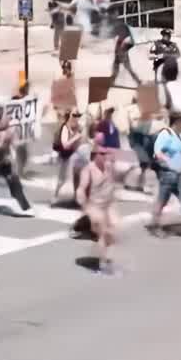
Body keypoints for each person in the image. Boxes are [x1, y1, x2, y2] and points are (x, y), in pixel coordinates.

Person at [147, 110, 181, 237]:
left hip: (179, 173)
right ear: (177, 121)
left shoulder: (177, 134)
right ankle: (154, 226)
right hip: (168, 174)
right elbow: (158, 153)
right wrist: (168, 164)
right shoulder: (165, 134)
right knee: (162, 200)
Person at [77, 142, 117, 275]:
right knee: (103, 233)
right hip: (94, 207)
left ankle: (98, 255)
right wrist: (84, 206)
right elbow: (81, 189)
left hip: (107, 206)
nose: (106, 156)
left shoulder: (109, 167)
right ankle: (102, 264)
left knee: (111, 236)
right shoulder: (88, 169)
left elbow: (112, 185)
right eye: (103, 154)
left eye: (106, 153)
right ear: (95, 155)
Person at [52, 110, 85, 204]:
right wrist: (76, 137)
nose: (77, 117)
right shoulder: (65, 128)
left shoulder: (79, 127)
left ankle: (76, 198)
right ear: (69, 116)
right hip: (66, 156)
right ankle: (55, 197)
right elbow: (65, 145)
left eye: (78, 115)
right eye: (74, 115)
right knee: (62, 178)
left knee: (78, 177)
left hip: (76, 155)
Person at [108, 21, 141, 88]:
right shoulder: (124, 31)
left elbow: (129, 42)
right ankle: (112, 82)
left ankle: (138, 82)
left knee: (126, 68)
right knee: (116, 67)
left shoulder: (125, 32)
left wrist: (123, 47)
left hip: (122, 52)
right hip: (119, 52)